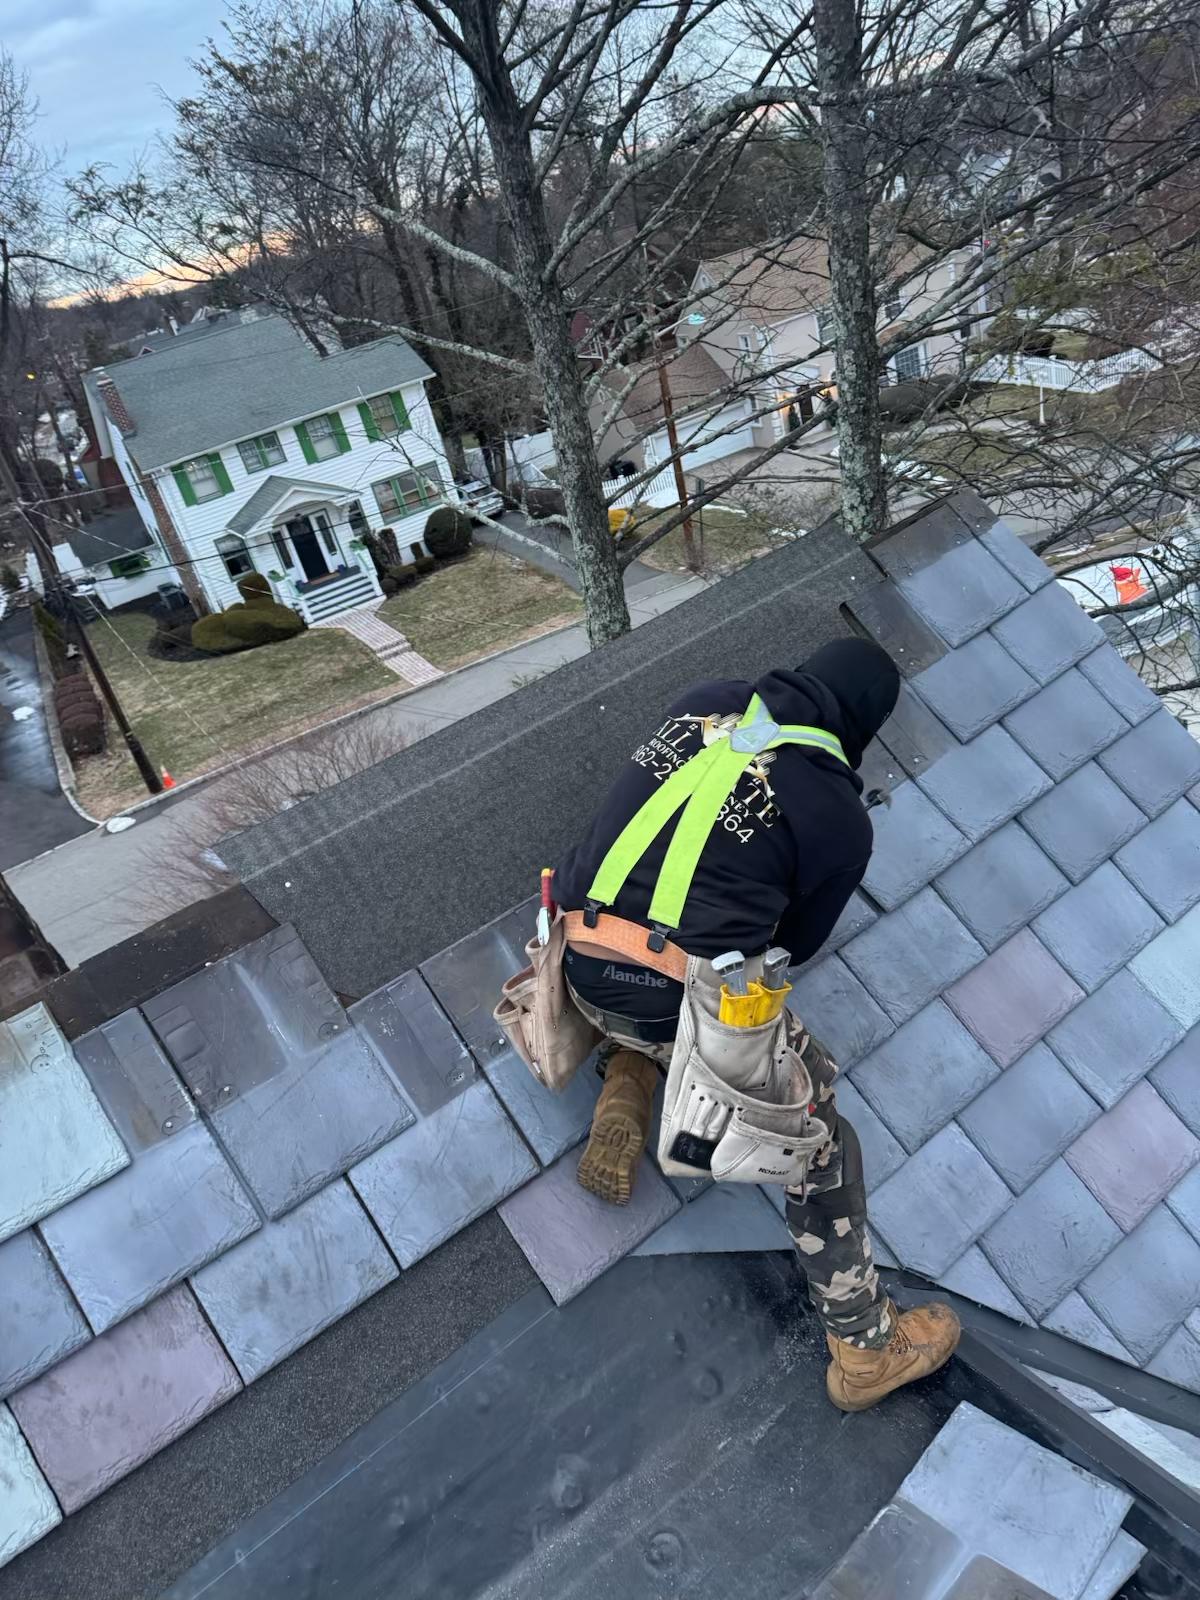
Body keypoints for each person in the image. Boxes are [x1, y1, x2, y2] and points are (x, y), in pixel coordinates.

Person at [552, 638, 960, 1411]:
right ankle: (867, 1347)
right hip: (666, 997)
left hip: (572, 964)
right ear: (863, 727)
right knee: (817, 1136)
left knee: (666, 950)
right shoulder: (837, 814)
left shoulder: (701, 695)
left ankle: (635, 1076)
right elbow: (796, 943)